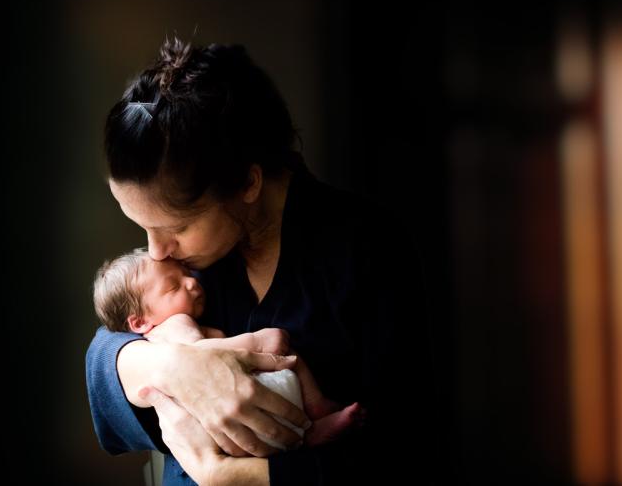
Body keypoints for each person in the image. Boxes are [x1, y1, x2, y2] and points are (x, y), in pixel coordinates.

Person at [84, 37, 435, 485]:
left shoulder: (366, 247)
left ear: (247, 183)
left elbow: (405, 445)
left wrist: (233, 475)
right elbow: (105, 350)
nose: (156, 252)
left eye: (176, 228)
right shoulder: (188, 264)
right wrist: (168, 367)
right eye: (144, 229)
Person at [90, 247, 365, 448]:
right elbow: (201, 359)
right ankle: (316, 410)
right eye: (174, 286)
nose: (191, 282)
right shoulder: (175, 325)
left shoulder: (167, 326)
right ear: (139, 322)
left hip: (227, 422)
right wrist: (255, 342)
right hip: (229, 414)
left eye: (185, 273)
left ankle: (310, 430)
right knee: (288, 357)